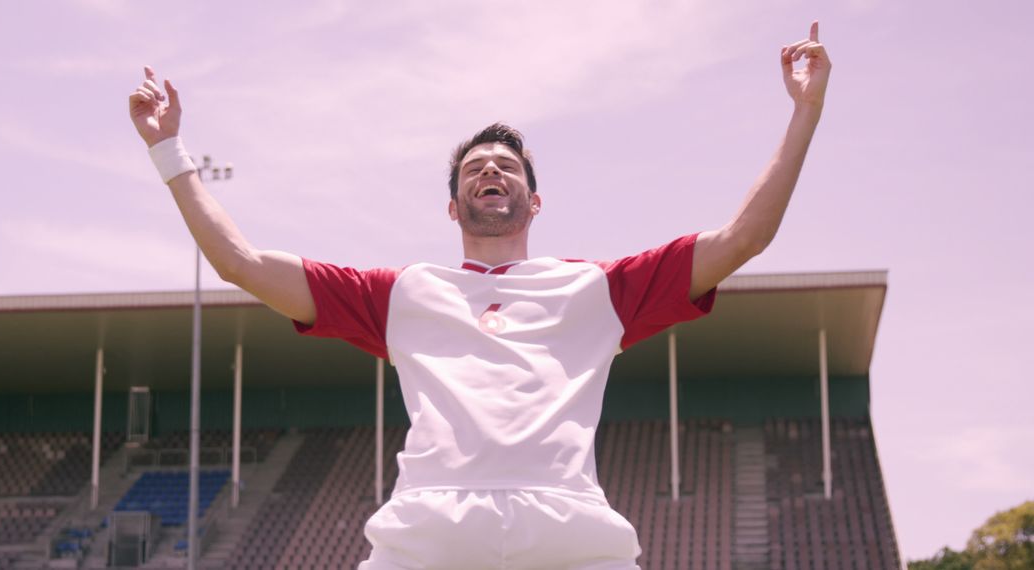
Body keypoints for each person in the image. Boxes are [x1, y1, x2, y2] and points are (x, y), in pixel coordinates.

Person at [129, 21, 831, 570]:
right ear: (453, 206)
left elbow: (744, 237)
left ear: (535, 200)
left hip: (569, 526)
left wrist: (805, 113)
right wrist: (170, 152)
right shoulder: (401, 292)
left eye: (505, 166)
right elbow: (239, 262)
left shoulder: (598, 288)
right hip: (432, 527)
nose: (489, 169)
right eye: (474, 167)